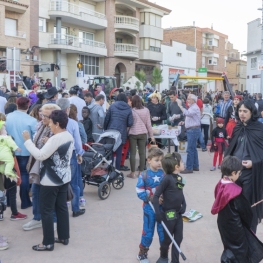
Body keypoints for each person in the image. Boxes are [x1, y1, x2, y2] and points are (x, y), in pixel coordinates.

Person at [23, 110, 74, 251]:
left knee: (46, 211)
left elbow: (40, 155)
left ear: (57, 124)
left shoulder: (55, 138)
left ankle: (47, 243)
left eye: (51, 122)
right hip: (63, 178)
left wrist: (27, 141)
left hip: (50, 180)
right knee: (61, 208)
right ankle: (64, 237)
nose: (49, 125)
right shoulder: (67, 135)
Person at [211, 156, 263, 263]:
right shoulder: (235, 191)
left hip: (223, 224)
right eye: (239, 173)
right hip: (236, 227)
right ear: (234, 173)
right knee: (240, 251)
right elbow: (246, 213)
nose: (239, 175)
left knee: (229, 246)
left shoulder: (220, 184)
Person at [225, 100, 263, 232]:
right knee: (234, 204)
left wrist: (254, 163)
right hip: (235, 174)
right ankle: (239, 234)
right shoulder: (238, 128)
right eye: (240, 111)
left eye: (245, 111)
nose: (242, 114)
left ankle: (250, 234)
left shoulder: (259, 129)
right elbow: (232, 149)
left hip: (251, 175)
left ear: (252, 112)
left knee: (248, 205)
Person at [22, 104, 61, 231]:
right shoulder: (41, 126)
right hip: (38, 166)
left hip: (49, 169)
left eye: (45, 115)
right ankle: (37, 218)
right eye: (41, 114)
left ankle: (53, 221)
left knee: (50, 196)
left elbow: (53, 152)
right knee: (36, 191)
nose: (42, 117)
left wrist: (30, 141)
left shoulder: (57, 130)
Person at [153, 152, 186, 263]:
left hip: (178, 213)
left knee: (178, 238)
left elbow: (181, 193)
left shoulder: (180, 179)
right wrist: (158, 213)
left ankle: (175, 261)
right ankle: (163, 257)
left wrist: (184, 204)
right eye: (181, 162)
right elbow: (156, 195)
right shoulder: (167, 179)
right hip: (169, 214)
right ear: (176, 166)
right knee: (168, 239)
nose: (183, 163)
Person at [6, 97, 37, 209]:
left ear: (17, 104)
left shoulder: (8, 117)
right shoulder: (31, 120)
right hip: (25, 151)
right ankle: (25, 201)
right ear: (28, 106)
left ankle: (9, 201)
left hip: (9, 151)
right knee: (24, 175)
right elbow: (35, 137)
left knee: (10, 174)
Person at [56, 98, 85, 218]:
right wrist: (80, 153)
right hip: (71, 154)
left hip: (56, 154)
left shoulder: (53, 122)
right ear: (68, 109)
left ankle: (59, 209)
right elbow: (77, 142)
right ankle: (75, 209)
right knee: (74, 183)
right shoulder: (73, 123)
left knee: (58, 183)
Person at [135, 147, 165, 263]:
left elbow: (169, 189)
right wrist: (151, 198)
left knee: (163, 232)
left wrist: (165, 199)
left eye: (161, 160)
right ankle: (142, 253)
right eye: (156, 160)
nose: (159, 163)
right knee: (148, 231)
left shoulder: (164, 174)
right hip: (149, 209)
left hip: (162, 209)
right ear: (149, 160)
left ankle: (164, 255)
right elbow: (139, 191)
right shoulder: (144, 175)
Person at [0, 120, 27, 220]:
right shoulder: (8, 138)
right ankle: (14, 213)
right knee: (12, 191)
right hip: (8, 168)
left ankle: (1, 214)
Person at [127, 95, 155, 179]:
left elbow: (129, 124)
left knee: (132, 153)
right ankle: (141, 172)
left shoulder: (131, 111)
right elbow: (148, 124)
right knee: (142, 153)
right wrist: (151, 135)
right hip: (143, 133)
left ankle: (132, 173)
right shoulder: (146, 110)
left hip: (133, 133)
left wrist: (126, 132)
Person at [104, 93, 133, 171]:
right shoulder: (128, 108)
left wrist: (105, 129)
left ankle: (110, 169)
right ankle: (117, 170)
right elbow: (130, 123)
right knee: (119, 151)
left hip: (111, 131)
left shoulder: (112, 106)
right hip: (121, 132)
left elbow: (107, 118)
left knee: (110, 151)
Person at [177, 94, 201, 174]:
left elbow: (187, 113)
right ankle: (195, 166)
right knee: (193, 148)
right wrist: (184, 122)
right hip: (193, 129)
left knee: (190, 149)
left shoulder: (194, 107)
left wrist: (180, 106)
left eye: (189, 99)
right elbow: (191, 117)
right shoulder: (193, 107)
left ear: (193, 100)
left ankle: (189, 167)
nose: (187, 100)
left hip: (193, 130)